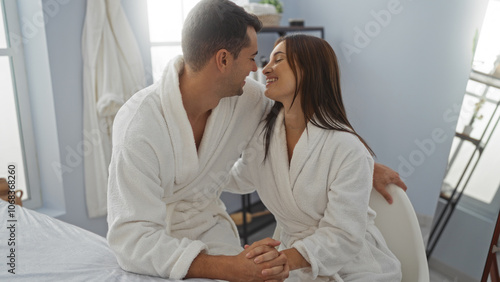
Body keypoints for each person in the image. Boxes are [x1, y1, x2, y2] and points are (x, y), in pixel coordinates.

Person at [107, 0, 405, 280]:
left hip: (217, 232)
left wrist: (363, 166)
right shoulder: (139, 125)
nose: (258, 69)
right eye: (253, 57)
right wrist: (230, 268)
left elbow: (314, 134)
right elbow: (130, 237)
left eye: (274, 60)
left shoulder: (247, 99)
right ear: (223, 60)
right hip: (157, 242)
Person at [228, 34, 403, 281]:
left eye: (278, 60)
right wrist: (190, 171)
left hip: (353, 266)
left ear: (308, 69)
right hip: (295, 262)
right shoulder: (263, 136)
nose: (266, 69)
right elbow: (239, 178)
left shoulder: (348, 150)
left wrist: (281, 260)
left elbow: (343, 236)